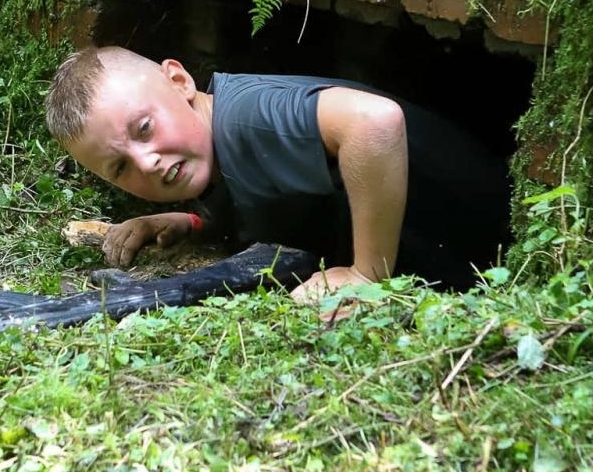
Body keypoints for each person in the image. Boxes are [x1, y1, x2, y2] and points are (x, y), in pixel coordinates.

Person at [43, 46, 510, 312]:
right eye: (120, 167)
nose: (145, 162)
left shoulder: (247, 117)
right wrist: (194, 222)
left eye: (144, 129)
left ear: (180, 81)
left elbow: (375, 121)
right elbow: (271, 193)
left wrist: (368, 274)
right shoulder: (215, 142)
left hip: (496, 239)